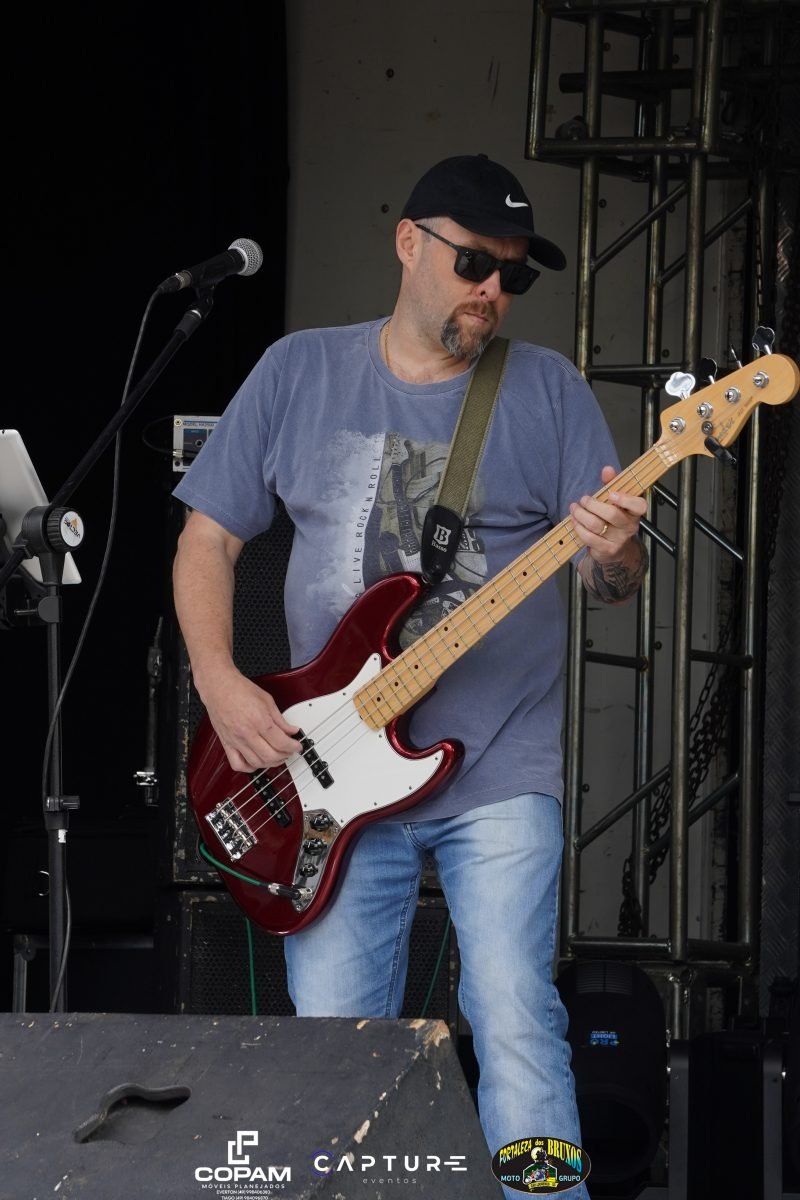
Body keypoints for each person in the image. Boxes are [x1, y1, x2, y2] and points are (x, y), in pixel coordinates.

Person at [172, 153, 648, 1199]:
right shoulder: (298, 372)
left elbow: (612, 585)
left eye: (513, 275)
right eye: (474, 263)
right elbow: (208, 539)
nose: (492, 290)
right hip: (329, 779)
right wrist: (219, 680)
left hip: (499, 771)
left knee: (515, 1016)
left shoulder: (546, 390)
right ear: (407, 243)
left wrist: (616, 550)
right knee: (338, 1039)